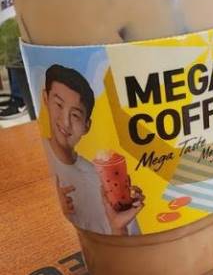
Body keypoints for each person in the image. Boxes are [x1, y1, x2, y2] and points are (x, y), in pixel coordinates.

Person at [42, 64, 144, 235]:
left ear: (87, 126)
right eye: (58, 105)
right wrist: (51, 211)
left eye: (75, 115)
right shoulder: (35, 163)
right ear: (45, 99)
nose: (65, 122)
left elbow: (128, 246)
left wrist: (118, 227)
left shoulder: (100, 180)